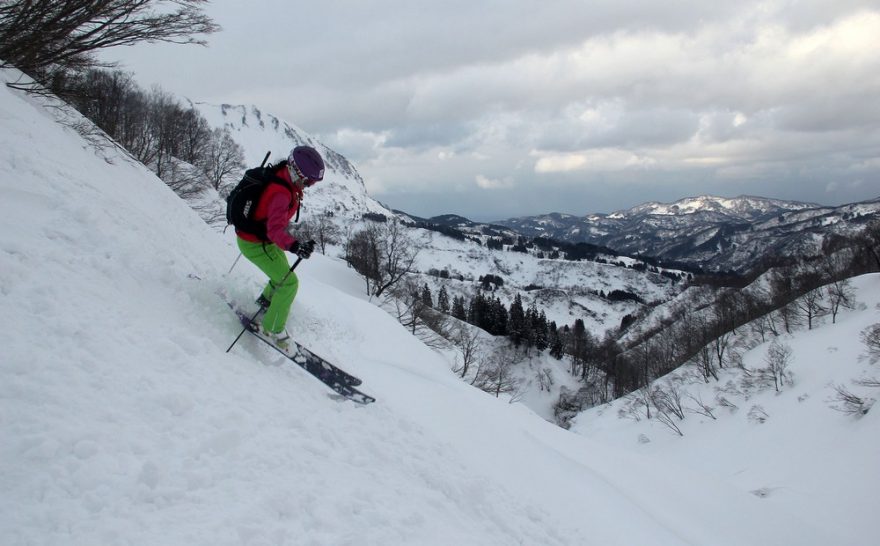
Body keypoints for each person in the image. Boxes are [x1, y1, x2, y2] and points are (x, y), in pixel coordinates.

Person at [234, 146, 324, 350]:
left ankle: (265, 304)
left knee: (281, 275)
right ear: (298, 172)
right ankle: (273, 329)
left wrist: (292, 244)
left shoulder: (282, 176)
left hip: (260, 239)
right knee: (289, 283)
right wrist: (294, 246)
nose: (310, 185)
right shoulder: (282, 193)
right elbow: (274, 230)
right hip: (254, 243)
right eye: (309, 181)